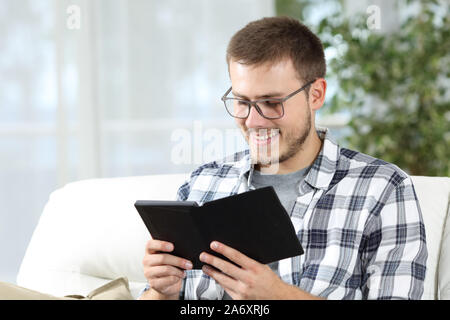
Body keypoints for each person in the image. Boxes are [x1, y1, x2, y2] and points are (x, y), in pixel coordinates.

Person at [139, 16, 427, 300]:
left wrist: (278, 296)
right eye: (242, 102)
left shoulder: (384, 189)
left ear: (316, 94)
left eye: (271, 103)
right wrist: (160, 292)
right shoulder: (202, 183)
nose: (253, 122)